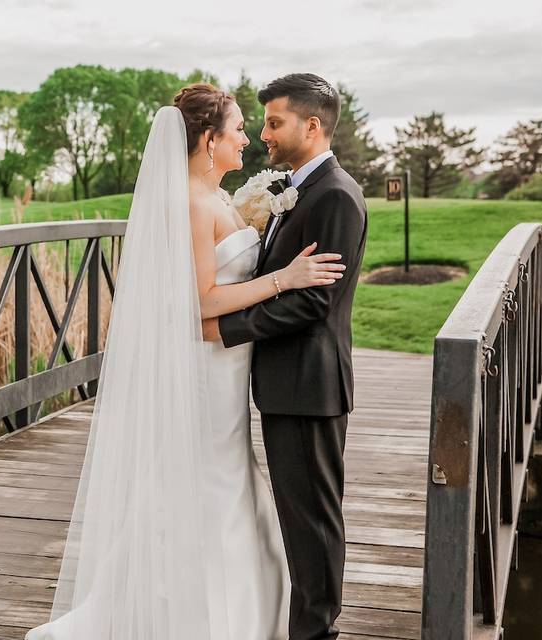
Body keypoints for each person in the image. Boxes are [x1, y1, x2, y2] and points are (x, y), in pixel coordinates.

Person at [26, 82, 347, 640]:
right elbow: (202, 301)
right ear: (207, 139)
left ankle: (249, 608)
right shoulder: (193, 204)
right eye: (239, 129)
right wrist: (284, 278)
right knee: (207, 479)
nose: (248, 137)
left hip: (231, 368)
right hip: (209, 368)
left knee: (226, 477)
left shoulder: (221, 197)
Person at [203, 73, 368, 640]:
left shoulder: (335, 196)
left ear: (312, 125)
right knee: (300, 518)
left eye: (274, 122)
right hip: (285, 383)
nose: (265, 134)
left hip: (309, 385)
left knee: (313, 522)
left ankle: (318, 633)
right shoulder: (298, 189)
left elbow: (313, 304)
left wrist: (226, 327)